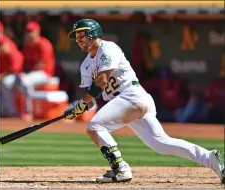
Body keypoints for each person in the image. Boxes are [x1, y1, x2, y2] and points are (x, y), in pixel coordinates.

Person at [63, 19, 225, 184]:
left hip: (130, 96)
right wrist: (77, 107)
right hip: (126, 103)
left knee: (95, 127)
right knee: (161, 144)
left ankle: (120, 169)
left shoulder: (108, 47)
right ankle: (210, 158)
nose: (78, 40)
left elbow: (102, 81)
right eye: (76, 36)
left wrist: (83, 103)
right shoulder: (85, 66)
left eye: (81, 35)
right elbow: (90, 99)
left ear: (93, 33)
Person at [18, 21, 55, 120]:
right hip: (32, 74)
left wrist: (26, 74)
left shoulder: (44, 44)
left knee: (25, 81)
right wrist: (21, 72)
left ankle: (28, 112)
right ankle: (12, 111)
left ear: (38, 32)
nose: (29, 34)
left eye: (31, 31)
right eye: (28, 31)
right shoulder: (27, 46)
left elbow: (41, 64)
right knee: (11, 82)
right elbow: (23, 62)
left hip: (45, 73)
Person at [0, 21, 24, 117]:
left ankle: (11, 112)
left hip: (13, 75)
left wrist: (0, 76)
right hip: (2, 75)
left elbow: (15, 67)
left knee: (6, 83)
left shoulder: (7, 44)